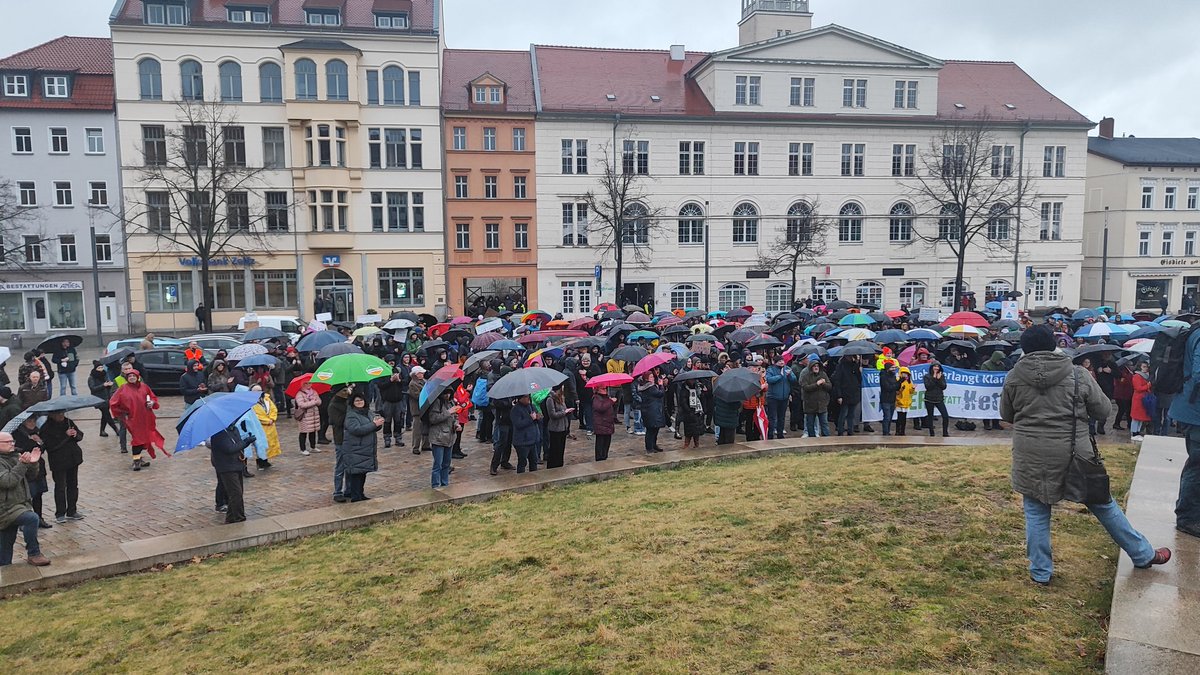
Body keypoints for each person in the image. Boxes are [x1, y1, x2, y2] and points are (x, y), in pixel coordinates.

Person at [1002, 324, 1171, 585]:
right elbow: (1103, 410)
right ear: (1053, 345)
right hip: (1075, 454)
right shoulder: (1078, 374)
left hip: (1030, 454)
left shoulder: (1014, 376)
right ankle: (1142, 553)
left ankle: (1040, 573)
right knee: (1104, 505)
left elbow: (1007, 414)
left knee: (1036, 513)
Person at [1168, 322, 1200, 538]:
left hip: (1191, 408)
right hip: (1195, 411)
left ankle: (1188, 512)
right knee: (1197, 465)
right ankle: (1187, 518)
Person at [0, 432, 50, 567]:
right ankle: (34, 554)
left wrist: (33, 463)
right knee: (31, 518)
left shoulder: (16, 456)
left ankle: (7, 576)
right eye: (8, 442)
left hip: (19, 504)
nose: (12, 444)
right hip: (5, 508)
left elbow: (31, 476)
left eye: (12, 441)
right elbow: (7, 481)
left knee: (5, 548)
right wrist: (22, 464)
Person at [108, 369, 166, 471]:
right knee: (137, 439)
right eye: (129, 376)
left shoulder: (144, 387)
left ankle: (138, 458)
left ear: (137, 377)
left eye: (133, 376)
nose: (132, 378)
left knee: (144, 438)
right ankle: (136, 461)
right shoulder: (122, 389)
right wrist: (121, 413)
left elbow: (153, 397)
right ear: (127, 378)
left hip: (145, 417)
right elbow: (113, 402)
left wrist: (152, 403)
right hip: (133, 419)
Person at [40, 412, 85, 524]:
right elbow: (50, 446)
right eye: (58, 414)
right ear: (52, 415)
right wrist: (65, 435)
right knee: (60, 487)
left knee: (73, 485)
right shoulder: (46, 427)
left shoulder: (68, 422)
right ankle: (60, 513)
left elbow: (80, 435)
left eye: (62, 413)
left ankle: (72, 510)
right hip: (58, 462)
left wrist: (75, 434)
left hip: (73, 459)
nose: (61, 416)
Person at [341, 392, 382, 501]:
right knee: (356, 474)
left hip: (366, 449)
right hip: (355, 449)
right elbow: (356, 429)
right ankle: (355, 496)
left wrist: (378, 424)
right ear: (353, 403)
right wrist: (374, 425)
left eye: (361, 400)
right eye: (357, 401)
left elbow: (373, 426)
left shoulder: (368, 412)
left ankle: (360, 493)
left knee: (363, 473)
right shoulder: (351, 415)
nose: (359, 402)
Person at [13, 415, 50, 528]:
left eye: (34, 420)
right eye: (30, 421)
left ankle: (39, 517)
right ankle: (24, 520)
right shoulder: (18, 434)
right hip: (25, 469)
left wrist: (39, 442)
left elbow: (42, 450)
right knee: (28, 495)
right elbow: (18, 450)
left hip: (39, 468)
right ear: (24, 422)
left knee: (39, 494)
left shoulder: (37, 432)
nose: (32, 423)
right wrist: (30, 442)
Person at [210, 426, 250, 522]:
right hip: (226, 467)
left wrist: (244, 441)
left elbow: (237, 443)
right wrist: (245, 442)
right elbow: (229, 448)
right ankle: (238, 517)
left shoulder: (234, 429)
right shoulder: (218, 433)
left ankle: (232, 517)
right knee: (236, 493)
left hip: (237, 464)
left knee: (237, 493)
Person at [425, 389, 459, 488]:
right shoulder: (436, 403)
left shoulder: (451, 402)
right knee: (438, 464)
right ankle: (435, 485)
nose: (447, 395)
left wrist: (456, 424)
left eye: (449, 393)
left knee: (446, 463)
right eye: (445, 393)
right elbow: (433, 418)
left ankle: (445, 483)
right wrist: (448, 412)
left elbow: (454, 417)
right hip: (438, 437)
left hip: (450, 437)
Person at [329, 385, 352, 502]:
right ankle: (337, 491)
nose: (346, 392)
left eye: (346, 390)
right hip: (340, 439)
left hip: (350, 438)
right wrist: (349, 414)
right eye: (343, 390)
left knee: (349, 465)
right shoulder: (333, 405)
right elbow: (337, 421)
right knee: (341, 466)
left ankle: (349, 489)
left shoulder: (348, 402)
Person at [377, 359, 407, 449]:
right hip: (387, 401)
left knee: (398, 421)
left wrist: (399, 380)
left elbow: (405, 382)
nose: (391, 362)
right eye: (389, 361)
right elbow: (380, 385)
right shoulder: (382, 372)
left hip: (398, 401)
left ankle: (398, 438)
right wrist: (390, 380)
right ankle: (387, 438)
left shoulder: (398, 371)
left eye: (393, 361)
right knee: (387, 421)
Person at [799, 357, 832, 437]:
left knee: (824, 423)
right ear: (811, 367)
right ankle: (812, 439)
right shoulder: (806, 376)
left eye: (817, 366)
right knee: (810, 424)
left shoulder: (823, 374)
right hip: (810, 404)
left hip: (822, 404)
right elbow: (805, 387)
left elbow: (830, 386)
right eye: (814, 366)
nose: (816, 367)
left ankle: (827, 440)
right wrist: (816, 384)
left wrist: (823, 384)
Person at [764, 356, 796, 440]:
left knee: (782, 417)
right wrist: (780, 376)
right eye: (779, 361)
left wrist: (789, 376)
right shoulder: (770, 369)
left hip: (784, 397)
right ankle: (770, 435)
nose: (782, 362)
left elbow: (794, 379)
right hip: (773, 397)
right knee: (772, 417)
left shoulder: (787, 368)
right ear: (775, 362)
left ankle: (780, 434)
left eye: (782, 361)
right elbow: (769, 379)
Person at [252, 384, 281, 467]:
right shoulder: (252, 403)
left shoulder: (266, 399)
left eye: (259, 390)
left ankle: (265, 460)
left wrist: (272, 418)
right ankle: (260, 461)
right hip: (260, 427)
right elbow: (256, 415)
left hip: (270, 426)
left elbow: (273, 409)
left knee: (269, 444)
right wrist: (267, 421)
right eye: (256, 391)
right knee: (260, 444)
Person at [833, 355, 863, 436]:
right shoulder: (840, 366)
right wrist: (839, 395)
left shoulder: (855, 365)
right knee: (843, 413)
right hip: (844, 393)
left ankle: (850, 430)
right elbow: (837, 381)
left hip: (853, 393)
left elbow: (859, 379)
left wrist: (859, 371)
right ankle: (840, 430)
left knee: (851, 414)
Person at [510, 394, 540, 473]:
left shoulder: (531, 406)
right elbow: (518, 424)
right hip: (522, 441)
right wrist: (531, 418)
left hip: (532, 440)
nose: (528, 398)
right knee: (522, 462)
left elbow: (538, 417)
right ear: (521, 398)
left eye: (528, 396)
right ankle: (521, 480)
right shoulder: (515, 409)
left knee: (534, 461)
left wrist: (537, 417)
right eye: (526, 397)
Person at [544, 386, 573, 468]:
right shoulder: (550, 399)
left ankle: (560, 466)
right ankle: (553, 467)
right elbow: (552, 415)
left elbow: (564, 409)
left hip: (563, 427)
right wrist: (564, 412)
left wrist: (568, 411)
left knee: (561, 450)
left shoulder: (561, 398)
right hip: (555, 428)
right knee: (555, 450)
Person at [638, 373, 667, 453]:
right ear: (647, 379)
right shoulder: (650, 388)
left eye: (652, 377)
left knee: (654, 429)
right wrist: (661, 386)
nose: (653, 378)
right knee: (651, 430)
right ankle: (650, 447)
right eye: (651, 377)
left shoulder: (649, 387)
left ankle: (653, 445)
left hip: (651, 410)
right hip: (651, 411)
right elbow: (660, 394)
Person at [293, 380, 322, 456]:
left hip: (314, 415)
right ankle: (303, 449)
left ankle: (313, 447)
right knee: (303, 432)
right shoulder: (300, 394)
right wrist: (313, 402)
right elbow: (301, 404)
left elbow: (319, 401)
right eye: (306, 383)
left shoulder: (314, 392)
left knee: (313, 431)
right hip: (305, 416)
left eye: (310, 383)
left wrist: (316, 401)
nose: (308, 384)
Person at [924, 362, 950, 437]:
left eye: (937, 367)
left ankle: (945, 432)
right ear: (932, 367)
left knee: (945, 416)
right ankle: (931, 433)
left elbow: (944, 386)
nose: (936, 368)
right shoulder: (927, 376)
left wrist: (939, 379)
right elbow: (928, 387)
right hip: (929, 398)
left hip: (939, 398)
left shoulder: (941, 376)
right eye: (935, 366)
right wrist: (934, 378)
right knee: (930, 416)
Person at [407, 366, 429, 454]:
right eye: (420, 373)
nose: (422, 374)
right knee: (417, 430)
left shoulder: (425, 381)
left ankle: (426, 445)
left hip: (425, 408)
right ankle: (415, 447)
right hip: (417, 409)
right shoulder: (413, 384)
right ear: (416, 374)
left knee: (426, 428)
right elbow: (417, 396)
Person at [591, 385, 617, 460]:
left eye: (605, 388)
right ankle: (600, 459)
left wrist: (613, 402)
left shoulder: (606, 397)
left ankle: (604, 457)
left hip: (608, 424)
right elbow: (600, 408)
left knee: (606, 444)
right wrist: (611, 401)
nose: (605, 390)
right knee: (600, 444)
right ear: (597, 390)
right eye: (603, 389)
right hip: (601, 425)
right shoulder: (596, 398)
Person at [1130, 360, 1153, 442]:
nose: (1145, 368)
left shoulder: (1145, 376)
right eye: (1143, 367)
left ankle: (1138, 432)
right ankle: (1134, 433)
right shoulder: (1137, 376)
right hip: (1138, 399)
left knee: (1140, 418)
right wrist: (1148, 385)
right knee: (1136, 418)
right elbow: (1138, 388)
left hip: (1143, 398)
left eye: (1146, 367)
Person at [878, 361, 900, 436]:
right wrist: (897, 384)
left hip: (892, 399)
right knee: (887, 417)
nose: (894, 369)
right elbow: (888, 387)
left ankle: (888, 431)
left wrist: (899, 383)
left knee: (890, 417)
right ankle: (885, 432)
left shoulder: (893, 376)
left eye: (894, 367)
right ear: (887, 368)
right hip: (885, 399)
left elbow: (896, 387)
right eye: (892, 367)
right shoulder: (883, 377)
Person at [895, 367, 916, 436]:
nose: (905, 375)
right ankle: (897, 431)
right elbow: (897, 391)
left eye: (906, 374)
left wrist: (913, 388)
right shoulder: (898, 380)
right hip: (899, 402)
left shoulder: (909, 381)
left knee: (904, 418)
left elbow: (911, 392)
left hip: (906, 402)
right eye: (903, 373)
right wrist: (901, 389)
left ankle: (902, 431)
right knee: (899, 417)